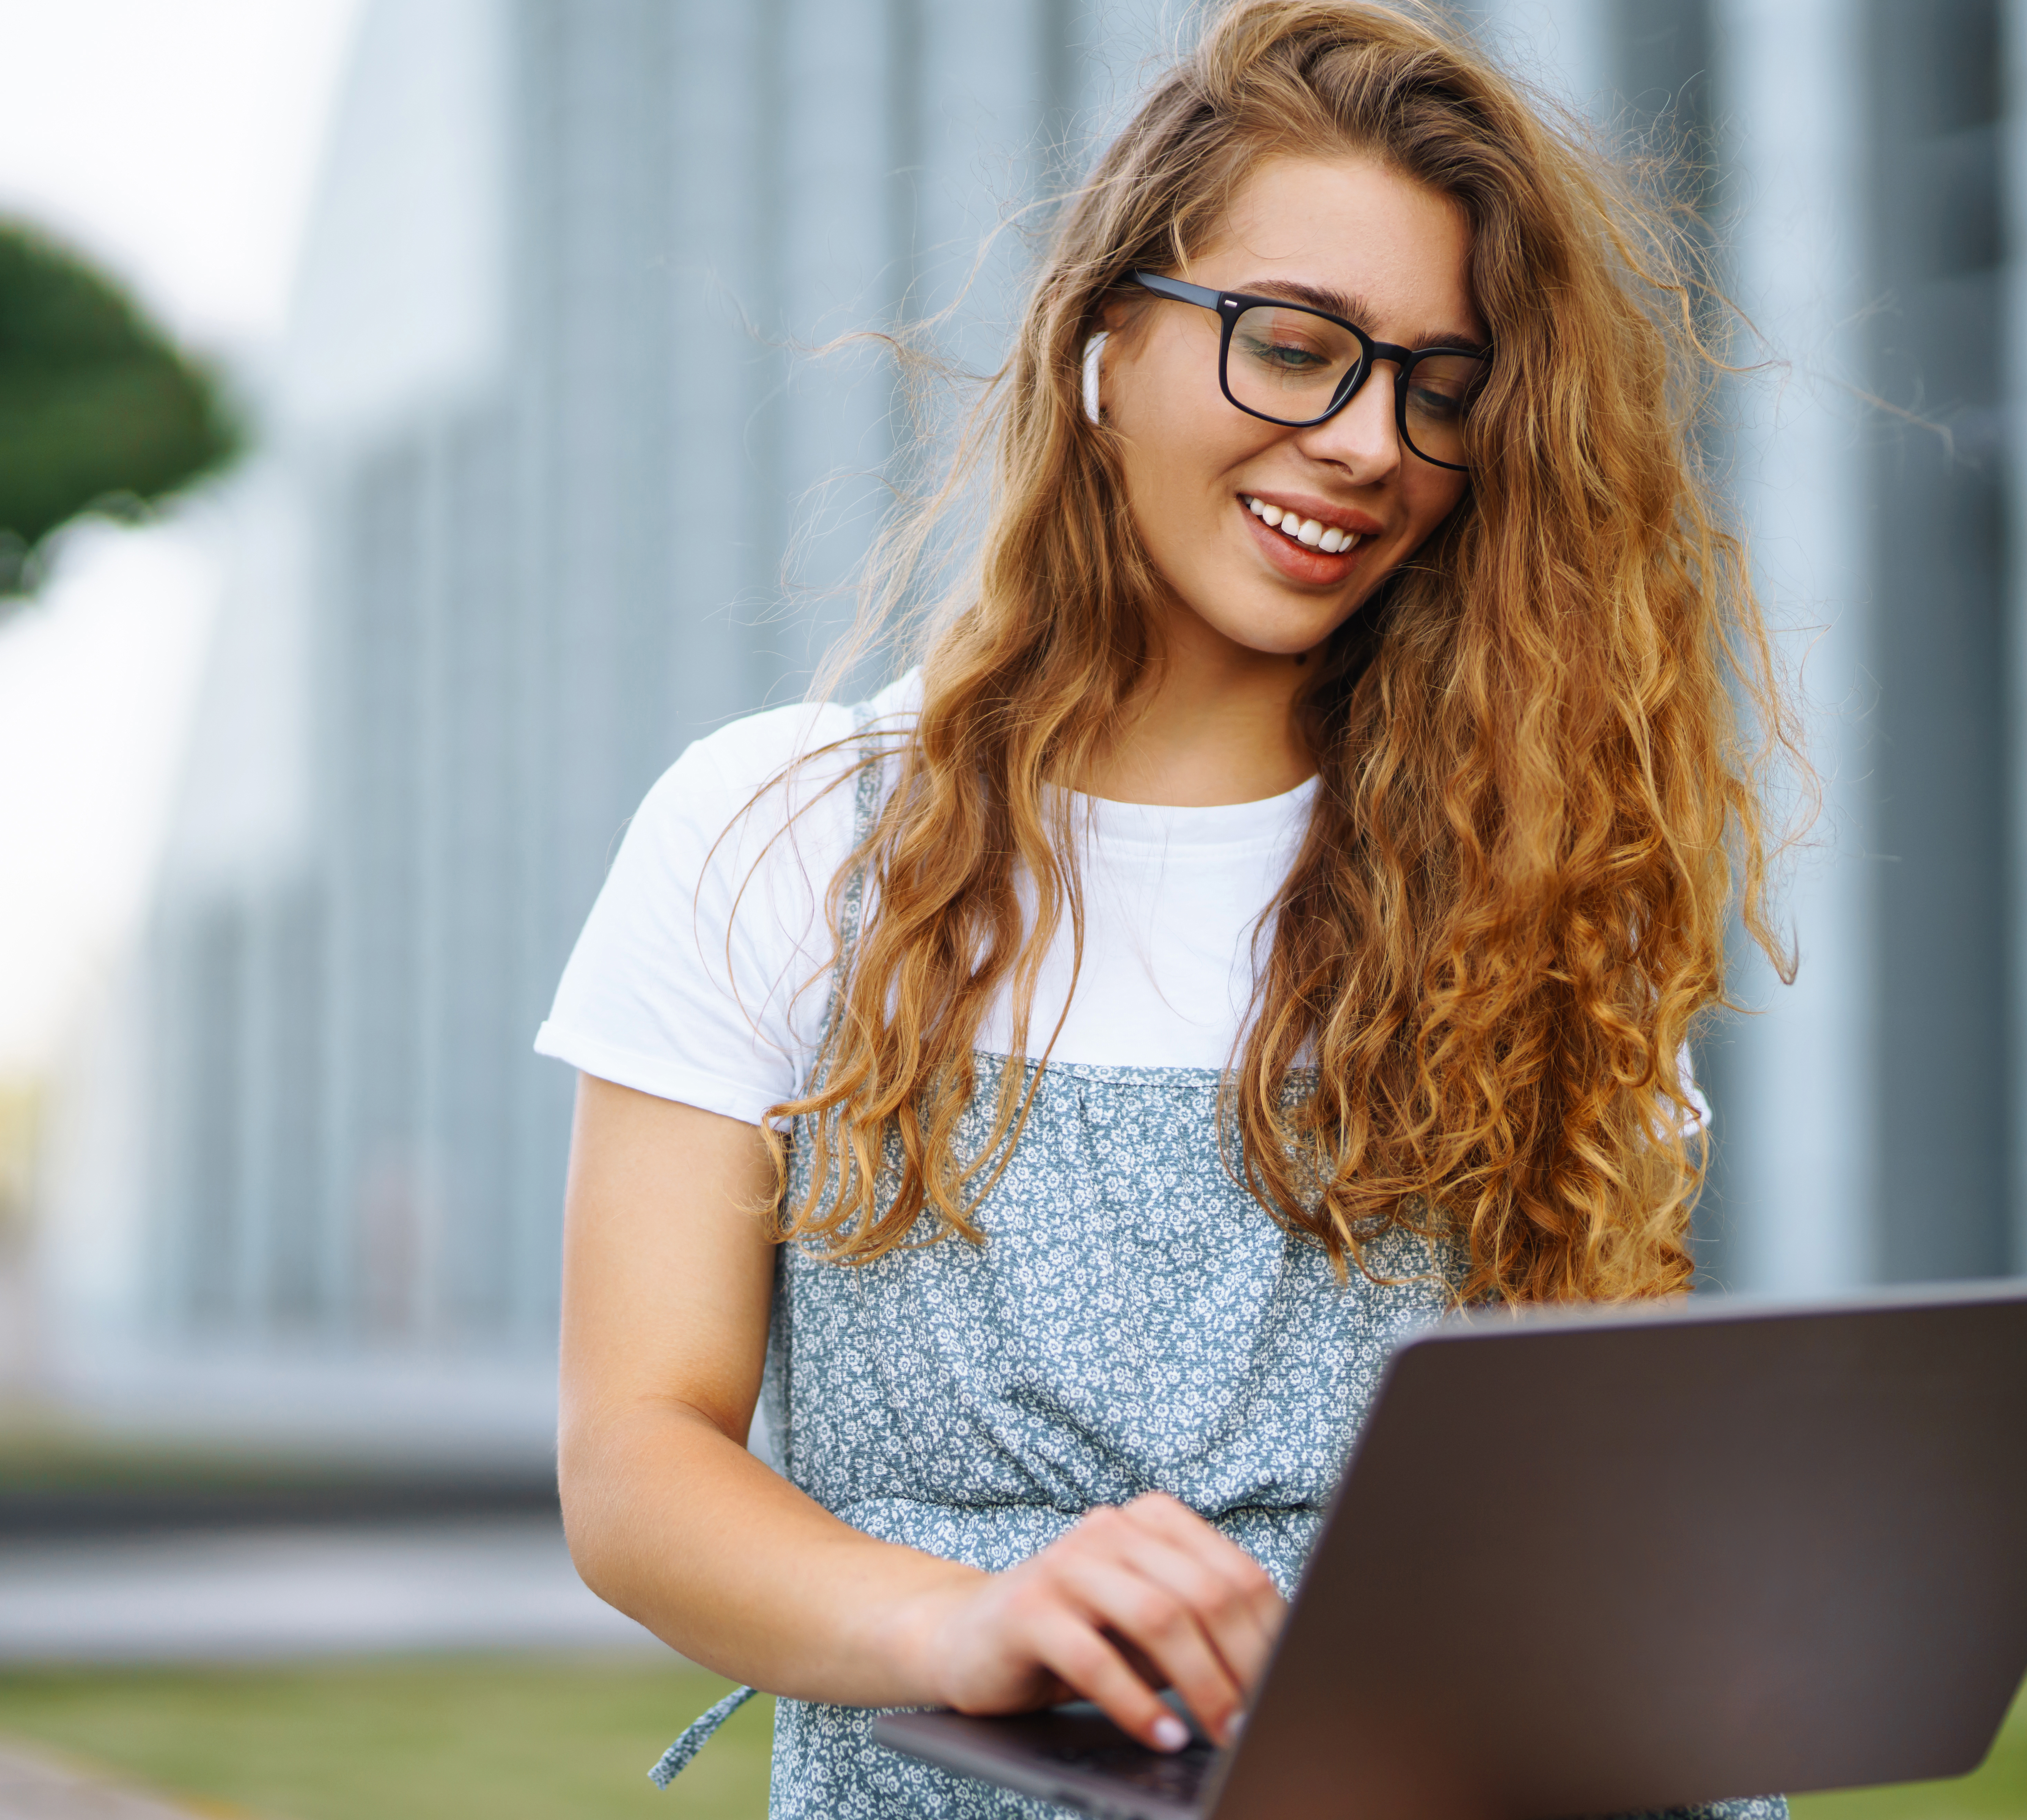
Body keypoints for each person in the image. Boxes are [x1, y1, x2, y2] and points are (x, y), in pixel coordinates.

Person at [540, 2, 1793, 1813]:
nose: (1367, 441)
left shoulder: (1539, 877)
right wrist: (963, 1623)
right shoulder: (779, 830)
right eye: (1294, 348)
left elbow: (1589, 1504)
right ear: (1102, 342)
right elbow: (637, 1463)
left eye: (1437, 384)